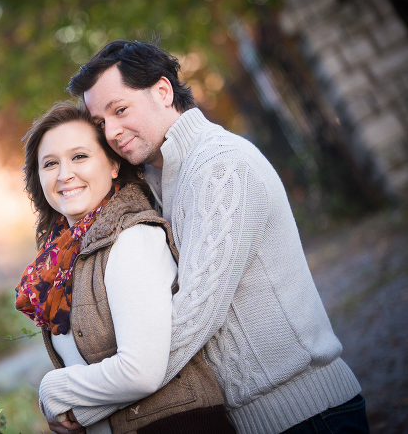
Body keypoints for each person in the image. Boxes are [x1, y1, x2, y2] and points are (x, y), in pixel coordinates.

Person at [67, 39, 369, 434]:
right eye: (101, 123)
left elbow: (195, 312)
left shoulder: (222, 166)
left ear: (162, 91)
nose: (112, 131)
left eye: (120, 110)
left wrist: (88, 399)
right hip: (255, 422)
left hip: (309, 415)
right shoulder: (160, 181)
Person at [15, 102, 236, 434]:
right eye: (50, 163)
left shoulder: (132, 239)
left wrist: (56, 390)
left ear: (113, 164)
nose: (64, 174)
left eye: (79, 156)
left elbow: (140, 371)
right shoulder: (62, 264)